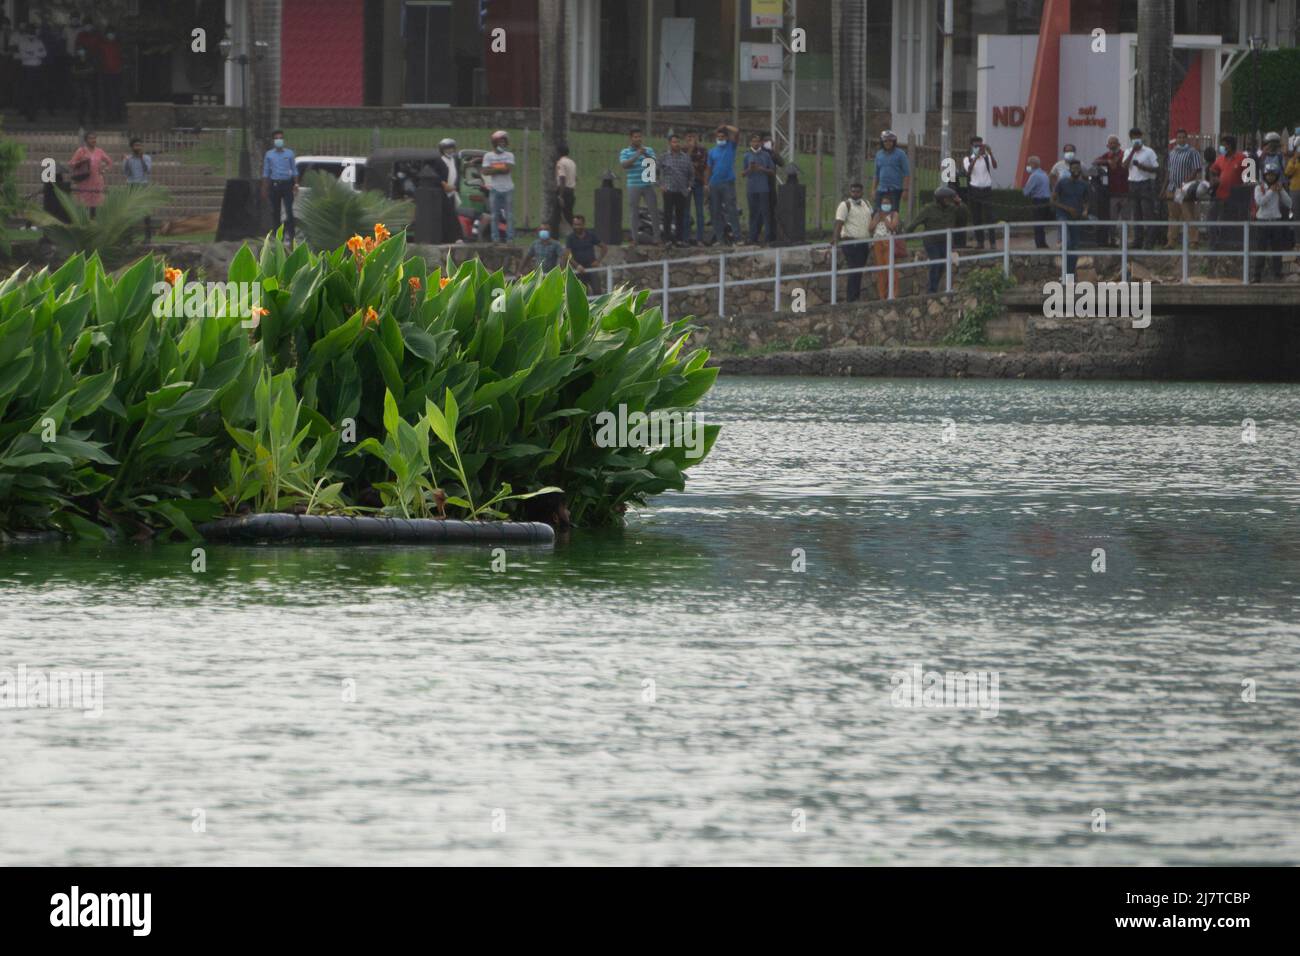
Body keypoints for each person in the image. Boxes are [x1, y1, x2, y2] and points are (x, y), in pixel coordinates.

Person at [903, 186, 961, 293]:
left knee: (942, 265)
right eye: (946, 199)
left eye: (950, 199)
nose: (948, 201)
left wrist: (959, 203)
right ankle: (931, 290)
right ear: (940, 199)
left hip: (945, 242)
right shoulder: (928, 209)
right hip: (931, 242)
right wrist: (903, 238)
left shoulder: (953, 209)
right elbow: (915, 223)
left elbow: (964, 216)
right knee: (936, 263)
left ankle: (934, 286)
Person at [832, 183, 874, 302]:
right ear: (850, 192)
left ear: (862, 192)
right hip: (851, 243)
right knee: (854, 270)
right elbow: (839, 222)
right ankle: (851, 298)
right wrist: (835, 237)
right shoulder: (845, 205)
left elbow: (871, 220)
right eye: (853, 191)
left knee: (858, 271)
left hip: (864, 243)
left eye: (858, 192)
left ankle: (855, 296)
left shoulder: (867, 204)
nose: (855, 194)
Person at [619, 128, 659, 245]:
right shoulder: (625, 151)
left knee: (653, 211)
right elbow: (624, 165)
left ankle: (657, 238)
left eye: (639, 137)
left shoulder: (649, 150)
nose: (638, 139)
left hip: (647, 184)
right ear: (631, 138)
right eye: (635, 137)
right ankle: (634, 238)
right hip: (633, 184)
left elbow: (654, 163)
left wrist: (644, 153)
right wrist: (637, 154)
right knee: (634, 212)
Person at [1208, 134, 1249, 251]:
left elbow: (1250, 178)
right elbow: (1212, 170)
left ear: (1230, 146)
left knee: (1229, 223)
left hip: (1235, 198)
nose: (1222, 147)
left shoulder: (1242, 158)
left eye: (1224, 145)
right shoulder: (1220, 159)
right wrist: (1214, 180)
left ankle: (1229, 245)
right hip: (1219, 196)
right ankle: (1213, 244)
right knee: (1212, 219)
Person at [1251, 168, 1292, 282]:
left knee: (1277, 250)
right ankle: (1257, 276)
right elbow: (1260, 202)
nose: (1270, 177)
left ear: (1276, 176)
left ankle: (1278, 275)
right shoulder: (1259, 187)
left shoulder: (1279, 188)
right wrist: (1271, 191)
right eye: (1268, 175)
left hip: (1276, 221)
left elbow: (1289, 203)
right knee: (1260, 250)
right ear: (1265, 175)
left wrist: (1282, 191)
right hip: (1262, 221)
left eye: (1273, 175)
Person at [1165, 129, 1204, 248]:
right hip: (1172, 187)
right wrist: (1164, 189)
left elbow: (1197, 169)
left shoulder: (1193, 152)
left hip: (1184, 189)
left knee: (1188, 214)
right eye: (1179, 137)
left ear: (1186, 138)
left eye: (1183, 137)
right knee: (1173, 215)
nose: (1181, 139)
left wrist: (1186, 182)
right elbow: (1168, 171)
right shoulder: (1172, 153)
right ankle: (1171, 241)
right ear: (1176, 139)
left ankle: (1193, 241)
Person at [1051, 158, 1090, 276]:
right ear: (1069, 169)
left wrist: (1085, 211)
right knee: (1066, 242)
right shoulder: (1062, 182)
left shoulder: (1083, 185)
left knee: (1075, 245)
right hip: (1063, 215)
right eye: (1074, 168)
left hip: (1076, 217)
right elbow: (1053, 200)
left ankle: (1070, 274)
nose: (1076, 171)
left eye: (1078, 169)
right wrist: (1067, 209)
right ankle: (1064, 273)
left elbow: (1086, 201)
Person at [1122, 127, 1159, 248]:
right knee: (1136, 214)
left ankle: (1149, 242)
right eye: (1133, 137)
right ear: (1131, 139)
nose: (1136, 139)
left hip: (1145, 183)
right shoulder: (1128, 151)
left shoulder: (1149, 151)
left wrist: (1143, 167)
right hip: (1132, 184)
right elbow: (1124, 166)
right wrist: (1133, 151)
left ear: (1141, 137)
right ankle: (1138, 241)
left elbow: (1156, 168)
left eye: (1137, 137)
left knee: (1147, 213)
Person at [261, 129, 298, 244]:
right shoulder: (269, 155)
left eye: (280, 138)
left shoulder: (289, 153)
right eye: (276, 139)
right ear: (273, 141)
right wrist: (264, 188)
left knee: (289, 211)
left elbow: (294, 170)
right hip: (275, 185)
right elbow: (266, 172)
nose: (279, 141)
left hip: (287, 184)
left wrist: (296, 184)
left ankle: (292, 236)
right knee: (275, 212)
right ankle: (278, 236)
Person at [706, 124, 741, 245]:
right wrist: (707, 184)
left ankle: (737, 238)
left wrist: (725, 126)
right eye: (718, 136)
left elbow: (736, 132)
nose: (720, 138)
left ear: (726, 137)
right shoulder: (712, 152)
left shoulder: (731, 146)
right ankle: (720, 239)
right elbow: (709, 168)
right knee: (715, 212)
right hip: (714, 183)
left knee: (732, 210)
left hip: (728, 183)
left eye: (723, 136)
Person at [962, 135, 998, 249]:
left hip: (986, 189)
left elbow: (995, 166)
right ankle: (980, 242)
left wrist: (990, 153)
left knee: (990, 217)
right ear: (971, 146)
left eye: (980, 145)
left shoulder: (986, 158)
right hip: (975, 190)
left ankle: (993, 242)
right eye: (976, 146)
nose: (979, 147)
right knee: (977, 217)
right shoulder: (967, 159)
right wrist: (976, 157)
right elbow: (968, 172)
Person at [659, 134, 693, 246]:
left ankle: (679, 239)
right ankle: (667, 239)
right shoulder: (664, 157)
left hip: (681, 191)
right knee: (668, 215)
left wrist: (689, 186)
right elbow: (654, 172)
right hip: (669, 190)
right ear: (669, 143)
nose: (676, 144)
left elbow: (691, 174)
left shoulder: (686, 157)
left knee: (680, 216)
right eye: (674, 142)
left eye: (678, 142)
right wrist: (660, 184)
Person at [742, 132, 776, 244]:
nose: (756, 143)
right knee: (753, 213)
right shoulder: (746, 155)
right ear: (750, 142)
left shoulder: (766, 155)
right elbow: (743, 173)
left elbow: (772, 171)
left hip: (763, 188)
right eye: (753, 141)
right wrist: (750, 169)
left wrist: (761, 168)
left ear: (761, 143)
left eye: (757, 141)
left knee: (765, 213)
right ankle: (752, 237)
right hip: (751, 189)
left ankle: (768, 237)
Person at [1093, 135, 1127, 246]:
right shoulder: (1107, 155)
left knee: (1125, 220)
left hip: (1126, 193)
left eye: (1114, 143)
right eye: (1110, 143)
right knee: (1112, 220)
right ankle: (1113, 241)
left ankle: (1124, 242)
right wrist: (1107, 161)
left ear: (1119, 144)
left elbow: (1123, 161)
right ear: (1108, 145)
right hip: (1113, 194)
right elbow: (1095, 161)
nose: (1112, 145)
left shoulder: (1124, 154)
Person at [868, 193, 902, 300]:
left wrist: (885, 219)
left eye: (887, 203)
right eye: (883, 203)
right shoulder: (877, 215)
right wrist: (878, 218)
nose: (885, 205)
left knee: (891, 269)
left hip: (888, 242)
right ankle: (882, 295)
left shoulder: (894, 214)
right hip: (877, 243)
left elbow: (893, 227)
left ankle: (893, 294)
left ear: (891, 204)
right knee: (881, 270)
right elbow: (870, 228)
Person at [69, 131, 111, 218]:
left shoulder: (100, 151)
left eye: (94, 138)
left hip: (97, 182)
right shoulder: (81, 151)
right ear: (86, 140)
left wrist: (104, 171)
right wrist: (81, 162)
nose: (93, 140)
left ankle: (94, 225)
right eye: (91, 138)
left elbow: (109, 162)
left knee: (96, 206)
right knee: (84, 205)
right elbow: (71, 163)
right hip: (85, 182)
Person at [13, 22, 47, 123]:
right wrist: (36, 54)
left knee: (36, 91)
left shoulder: (39, 41)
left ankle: (34, 113)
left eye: (33, 30)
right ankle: (28, 113)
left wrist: (31, 53)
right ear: (27, 31)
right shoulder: (22, 42)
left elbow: (44, 53)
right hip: (26, 69)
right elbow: (23, 55)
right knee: (27, 91)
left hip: (37, 69)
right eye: (30, 30)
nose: (32, 32)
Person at [565, 214, 607, 292]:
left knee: (597, 291)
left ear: (583, 225)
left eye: (579, 225)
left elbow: (604, 247)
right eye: (575, 225)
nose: (577, 227)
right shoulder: (570, 238)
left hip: (591, 268)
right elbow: (568, 254)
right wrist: (577, 265)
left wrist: (598, 261)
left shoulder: (591, 235)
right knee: (582, 292)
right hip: (578, 270)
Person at [123, 137, 154, 242]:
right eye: (136, 145)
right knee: (130, 211)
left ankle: (148, 237)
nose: (138, 147)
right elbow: (126, 173)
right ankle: (129, 237)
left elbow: (148, 170)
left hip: (143, 185)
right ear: (132, 147)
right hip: (132, 185)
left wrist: (141, 159)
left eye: (140, 145)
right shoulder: (128, 158)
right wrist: (126, 161)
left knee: (146, 212)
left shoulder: (146, 158)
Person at [872, 130, 911, 211]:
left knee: (893, 213)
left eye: (890, 141)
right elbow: (876, 174)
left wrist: (905, 190)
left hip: (895, 190)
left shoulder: (901, 154)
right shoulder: (879, 155)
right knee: (877, 212)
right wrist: (873, 190)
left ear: (894, 141)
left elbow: (906, 174)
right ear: (882, 142)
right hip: (881, 189)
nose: (888, 143)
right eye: (885, 141)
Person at [1023, 155, 1052, 249]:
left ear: (1033, 164)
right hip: (1046, 200)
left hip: (1038, 201)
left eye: (1028, 164)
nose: (1027, 166)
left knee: (1037, 224)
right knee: (1042, 224)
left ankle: (1039, 244)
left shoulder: (1034, 175)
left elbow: (1026, 192)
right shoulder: (1044, 174)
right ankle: (1043, 243)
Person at [685, 131, 708, 245]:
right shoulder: (683, 150)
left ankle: (700, 239)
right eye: (689, 137)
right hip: (686, 183)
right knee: (686, 211)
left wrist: (705, 184)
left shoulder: (702, 150)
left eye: (693, 136)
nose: (691, 139)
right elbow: (683, 164)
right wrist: (689, 150)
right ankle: (687, 238)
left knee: (699, 211)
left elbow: (703, 165)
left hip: (698, 182)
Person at [98, 25, 124, 122]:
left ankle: (117, 116)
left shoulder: (118, 45)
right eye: (109, 33)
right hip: (106, 73)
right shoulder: (102, 45)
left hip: (117, 73)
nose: (111, 35)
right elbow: (100, 59)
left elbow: (122, 58)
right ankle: (108, 116)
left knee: (117, 95)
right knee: (107, 95)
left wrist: (120, 68)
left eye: (112, 33)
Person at [552, 143, 576, 234]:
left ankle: (554, 238)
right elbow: (575, 178)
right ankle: (579, 233)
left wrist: (560, 195)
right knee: (569, 215)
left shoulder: (560, 162)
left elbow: (562, 178)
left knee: (555, 216)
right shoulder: (572, 162)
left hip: (563, 190)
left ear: (558, 153)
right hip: (571, 191)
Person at [70, 45, 97, 127]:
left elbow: (92, 70)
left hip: (87, 83)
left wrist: (81, 72)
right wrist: (85, 71)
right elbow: (73, 71)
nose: (81, 52)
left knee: (90, 101)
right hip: (78, 83)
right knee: (79, 101)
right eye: (79, 50)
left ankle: (92, 119)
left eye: (82, 50)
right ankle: (81, 120)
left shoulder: (90, 59)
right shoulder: (75, 60)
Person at [1284, 134, 1300, 251]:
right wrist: (1295, 160)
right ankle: (1297, 242)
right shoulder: (1293, 161)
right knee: (1296, 216)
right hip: (1295, 190)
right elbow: (1288, 172)